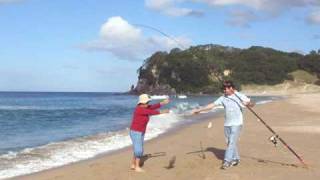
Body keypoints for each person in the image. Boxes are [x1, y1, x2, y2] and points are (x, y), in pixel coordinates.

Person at [192, 80, 254, 169]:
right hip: (227, 124)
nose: (224, 91)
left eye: (225, 89)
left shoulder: (239, 96)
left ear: (231, 88)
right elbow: (212, 105)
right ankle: (236, 158)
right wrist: (199, 110)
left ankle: (227, 161)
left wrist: (248, 103)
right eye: (223, 89)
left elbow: (252, 104)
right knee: (230, 143)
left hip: (237, 123)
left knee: (232, 142)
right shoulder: (223, 98)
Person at [129, 94, 170, 172]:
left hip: (141, 131)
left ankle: (133, 164)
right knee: (139, 150)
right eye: (147, 102)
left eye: (148, 102)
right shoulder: (139, 109)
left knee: (137, 149)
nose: (148, 104)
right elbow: (152, 112)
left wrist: (163, 103)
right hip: (135, 132)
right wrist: (164, 111)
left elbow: (153, 107)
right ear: (141, 103)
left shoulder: (145, 107)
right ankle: (137, 167)